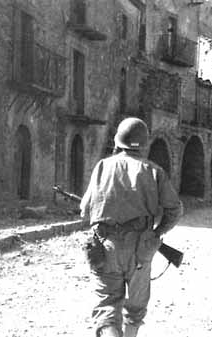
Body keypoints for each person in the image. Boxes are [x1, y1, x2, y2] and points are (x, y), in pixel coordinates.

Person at [80, 117, 183, 337]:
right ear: (144, 144)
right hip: (141, 248)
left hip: (106, 246)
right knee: (135, 311)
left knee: (107, 309)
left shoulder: (101, 167)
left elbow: (84, 210)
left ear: (118, 142)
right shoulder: (154, 171)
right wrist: (157, 233)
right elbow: (174, 210)